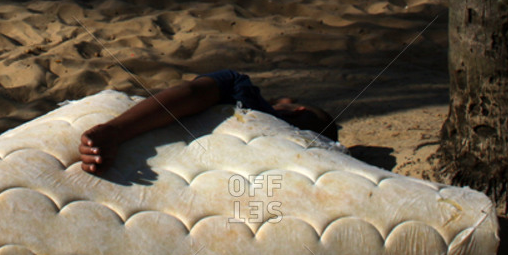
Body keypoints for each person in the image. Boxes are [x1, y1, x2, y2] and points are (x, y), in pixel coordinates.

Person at [78, 69, 337, 175]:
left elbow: (193, 94)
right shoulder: (280, 166)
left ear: (293, 109)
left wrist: (115, 130)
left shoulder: (245, 95)